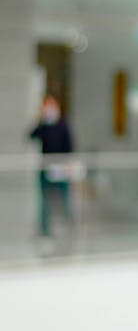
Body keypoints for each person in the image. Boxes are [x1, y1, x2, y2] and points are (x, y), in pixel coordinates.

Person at [29, 92, 74, 238]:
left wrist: (68, 163)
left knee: (64, 196)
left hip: (61, 167)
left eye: (51, 105)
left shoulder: (63, 124)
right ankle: (45, 228)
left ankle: (68, 224)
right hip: (45, 167)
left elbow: (70, 146)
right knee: (44, 199)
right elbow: (31, 136)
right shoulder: (44, 125)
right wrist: (40, 120)